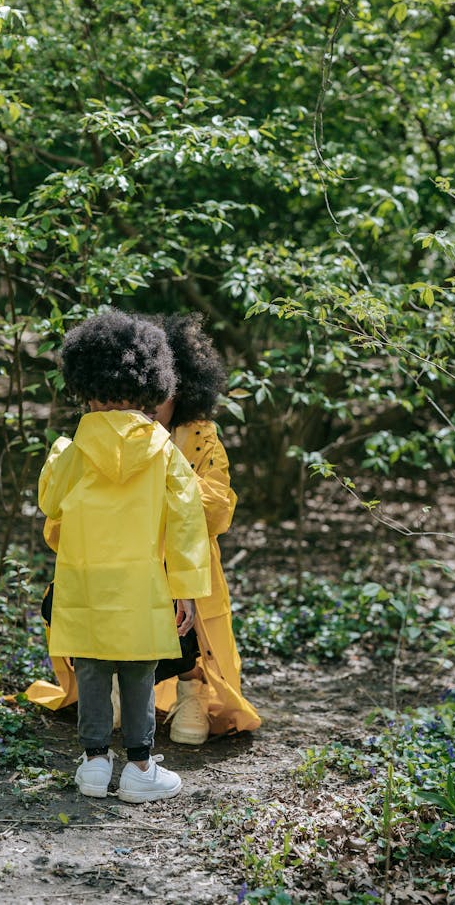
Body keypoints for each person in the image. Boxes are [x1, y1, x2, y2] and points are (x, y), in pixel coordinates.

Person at [36, 310, 211, 801]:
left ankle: (94, 764)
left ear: (88, 390)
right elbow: (186, 523)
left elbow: (50, 503)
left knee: (91, 670)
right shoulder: (165, 451)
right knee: (139, 672)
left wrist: (57, 452)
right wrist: (187, 591)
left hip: (85, 585)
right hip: (143, 589)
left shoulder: (74, 450)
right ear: (150, 388)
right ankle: (139, 767)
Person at [153, 313, 261, 744]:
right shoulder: (110, 428)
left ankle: (192, 690)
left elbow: (218, 512)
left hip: (188, 564)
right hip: (125, 557)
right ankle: (119, 688)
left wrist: (166, 465)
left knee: (188, 619)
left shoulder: (201, 435)